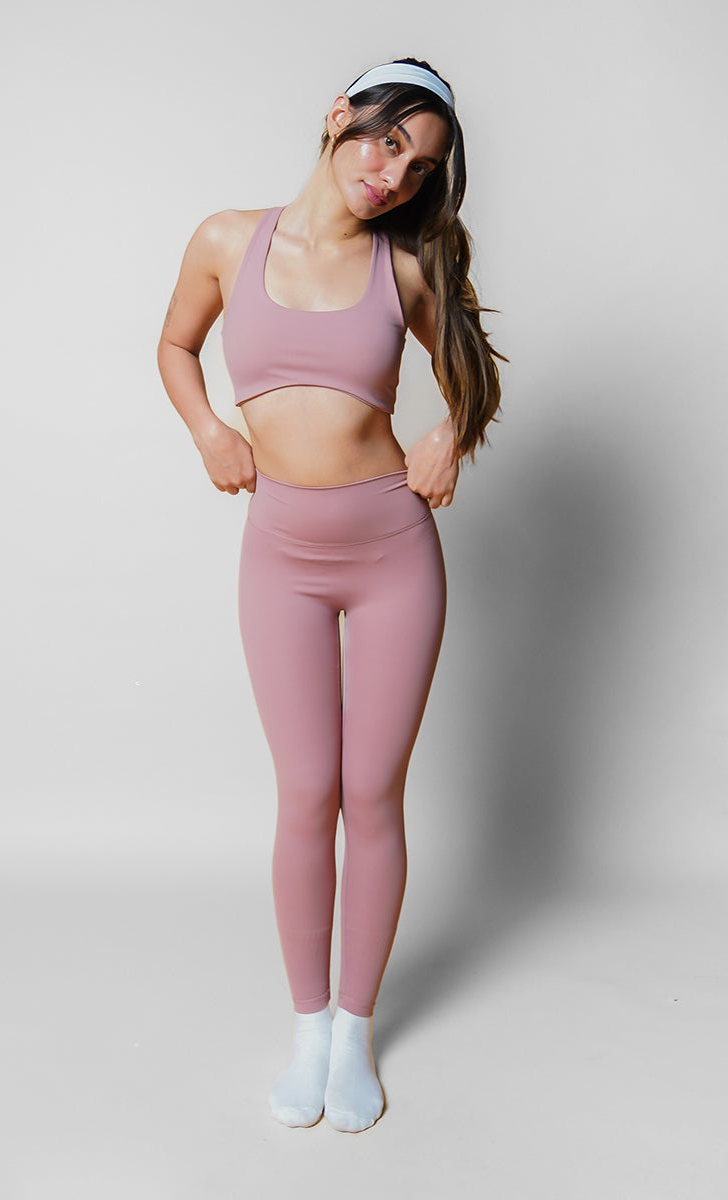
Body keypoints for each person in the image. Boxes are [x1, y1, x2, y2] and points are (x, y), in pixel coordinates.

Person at [157, 58, 504, 1133]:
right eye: (388, 141)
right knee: (306, 790)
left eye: (420, 167)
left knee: (371, 792)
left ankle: (355, 1031)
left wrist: (449, 435)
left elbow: (471, 375)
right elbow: (174, 344)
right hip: (281, 554)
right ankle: (307, 1027)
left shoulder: (405, 270)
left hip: (391, 550)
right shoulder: (227, 239)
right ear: (339, 116)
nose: (395, 174)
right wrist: (210, 431)